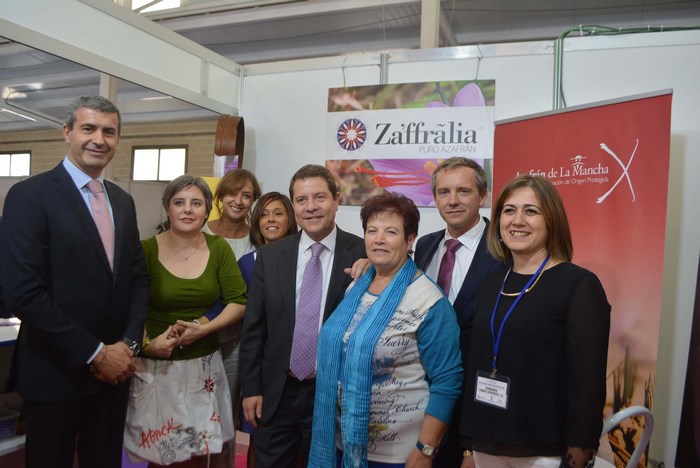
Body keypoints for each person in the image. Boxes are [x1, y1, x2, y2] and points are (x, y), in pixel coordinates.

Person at [0, 95, 150, 468]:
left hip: (114, 376)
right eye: (88, 128)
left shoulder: (122, 201)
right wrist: (96, 353)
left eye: (109, 131)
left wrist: (126, 347)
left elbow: (137, 279)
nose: (99, 139)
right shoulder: (29, 196)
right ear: (67, 132)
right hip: (55, 373)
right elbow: (23, 292)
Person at [460, 175, 611, 468]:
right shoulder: (491, 284)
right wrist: (468, 448)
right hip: (485, 444)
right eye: (509, 210)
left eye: (531, 211)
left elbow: (587, 382)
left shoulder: (579, 284)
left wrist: (578, 453)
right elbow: (476, 362)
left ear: (551, 220)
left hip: (545, 449)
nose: (517, 220)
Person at [310, 193, 463, 468]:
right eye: (372, 230)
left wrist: (425, 449)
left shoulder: (428, 301)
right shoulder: (355, 286)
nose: (379, 239)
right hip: (340, 445)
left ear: (409, 239)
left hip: (399, 456)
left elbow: (447, 382)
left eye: (390, 231)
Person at [240, 164, 366, 468]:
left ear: (337, 199)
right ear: (293, 204)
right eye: (301, 200)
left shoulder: (363, 253)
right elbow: (254, 330)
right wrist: (251, 388)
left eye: (319, 197)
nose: (310, 207)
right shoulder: (270, 257)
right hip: (276, 393)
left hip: (332, 394)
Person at [123, 175, 247, 466]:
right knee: (161, 454)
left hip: (202, 368)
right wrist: (146, 345)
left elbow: (238, 301)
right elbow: (131, 306)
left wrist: (203, 330)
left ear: (206, 211)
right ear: (167, 208)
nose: (187, 209)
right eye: (179, 202)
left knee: (197, 455)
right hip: (156, 368)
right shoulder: (145, 249)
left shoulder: (218, 249)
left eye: (196, 203)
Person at [413, 157, 504, 467]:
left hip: (476, 404)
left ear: (483, 195)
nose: (452, 201)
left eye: (463, 191)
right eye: (443, 192)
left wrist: (474, 447)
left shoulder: (504, 252)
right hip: (423, 401)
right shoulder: (425, 246)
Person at [201, 168, 261, 464]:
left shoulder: (257, 240)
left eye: (246, 195)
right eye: (232, 193)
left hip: (238, 340)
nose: (238, 200)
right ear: (220, 196)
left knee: (225, 414)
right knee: (198, 411)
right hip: (200, 335)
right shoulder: (201, 230)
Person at [237, 191, 298, 468]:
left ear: (290, 218)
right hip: (261, 365)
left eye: (278, 213)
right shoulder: (247, 264)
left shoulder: (308, 258)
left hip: (299, 370)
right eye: (263, 214)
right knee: (259, 440)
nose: (270, 219)